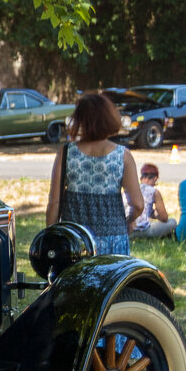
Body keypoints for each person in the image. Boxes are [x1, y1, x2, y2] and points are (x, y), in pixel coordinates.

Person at [45, 93, 141, 255]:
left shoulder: (66, 153)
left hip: (75, 243)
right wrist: (129, 221)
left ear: (80, 120)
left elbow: (55, 202)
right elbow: (138, 204)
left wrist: (50, 237)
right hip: (113, 241)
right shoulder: (122, 155)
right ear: (109, 119)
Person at [127, 162, 177, 239]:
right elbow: (164, 218)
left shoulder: (130, 189)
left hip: (125, 230)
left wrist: (151, 213)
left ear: (141, 178)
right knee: (172, 222)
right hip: (141, 230)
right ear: (155, 178)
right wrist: (157, 215)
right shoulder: (154, 192)